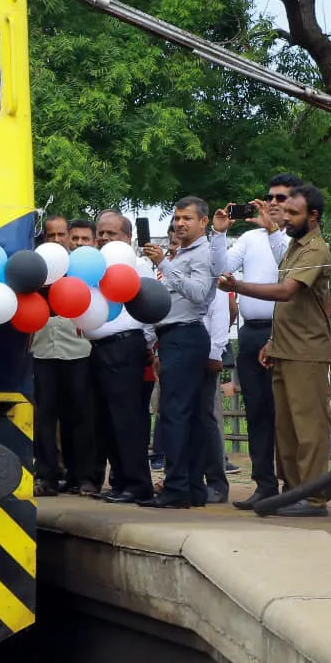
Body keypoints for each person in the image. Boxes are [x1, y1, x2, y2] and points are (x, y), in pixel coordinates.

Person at [220, 184, 331, 516]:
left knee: (308, 428)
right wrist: (274, 341)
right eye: (284, 212)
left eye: (293, 213)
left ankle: (313, 498)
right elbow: (295, 306)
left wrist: (237, 286)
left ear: (313, 216)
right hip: (285, 348)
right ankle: (292, 492)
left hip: (306, 352)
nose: (285, 217)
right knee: (285, 429)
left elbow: (288, 292)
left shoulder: (315, 250)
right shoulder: (294, 248)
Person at [210, 173, 300, 506]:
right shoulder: (249, 237)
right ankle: (264, 485)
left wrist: (275, 229)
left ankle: (294, 485)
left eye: (281, 198)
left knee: (285, 413)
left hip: (286, 331)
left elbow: (285, 265)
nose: (273, 203)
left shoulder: (298, 238)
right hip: (251, 332)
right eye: (270, 197)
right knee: (258, 412)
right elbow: (221, 269)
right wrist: (219, 233)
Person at [140, 197, 216, 508]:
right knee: (190, 415)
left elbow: (198, 294)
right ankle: (192, 487)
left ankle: (176, 488)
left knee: (175, 415)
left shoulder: (201, 253)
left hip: (185, 336)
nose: (179, 224)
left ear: (203, 222)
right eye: (176, 218)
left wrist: (163, 264)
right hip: (175, 338)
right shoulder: (183, 252)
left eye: (187, 218)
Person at [87, 211, 156, 503]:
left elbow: (151, 309)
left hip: (126, 346)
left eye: (111, 234)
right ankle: (119, 480)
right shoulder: (94, 267)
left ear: (127, 238)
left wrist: (147, 347)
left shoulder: (138, 266)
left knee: (128, 419)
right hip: (99, 349)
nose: (104, 238)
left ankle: (137, 484)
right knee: (106, 420)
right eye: (100, 233)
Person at [32, 219, 95, 495]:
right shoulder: (33, 270)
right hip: (42, 351)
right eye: (50, 235)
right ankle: (46, 476)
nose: (56, 239)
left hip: (77, 351)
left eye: (61, 234)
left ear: (70, 237)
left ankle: (81, 477)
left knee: (80, 417)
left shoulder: (80, 269)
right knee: (44, 417)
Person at [197, 281, 233, 504]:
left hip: (206, 357)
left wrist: (215, 353)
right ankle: (187, 479)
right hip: (180, 353)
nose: (173, 248)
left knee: (207, 419)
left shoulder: (211, 276)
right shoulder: (173, 270)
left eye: (175, 242)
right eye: (171, 242)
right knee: (181, 420)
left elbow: (222, 314)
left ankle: (216, 483)